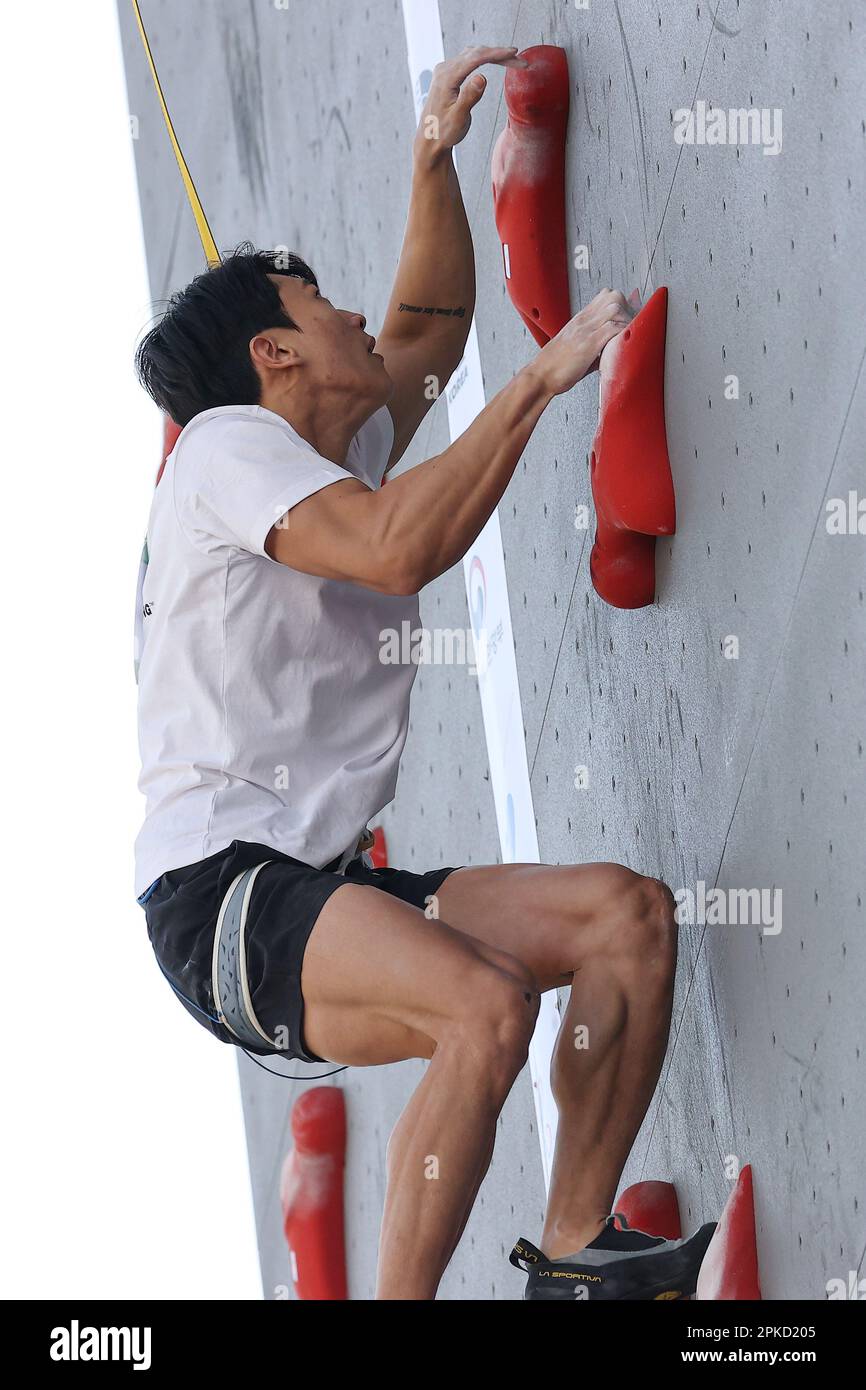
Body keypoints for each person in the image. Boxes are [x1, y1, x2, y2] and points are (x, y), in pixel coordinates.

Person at [133, 45, 713, 1300]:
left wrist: (429, 162)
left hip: (311, 884)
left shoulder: (309, 445)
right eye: (313, 300)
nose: (346, 313)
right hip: (221, 895)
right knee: (484, 1008)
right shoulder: (229, 449)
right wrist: (542, 386)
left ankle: (569, 1255)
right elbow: (400, 550)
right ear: (271, 359)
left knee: (626, 921)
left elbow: (425, 330)